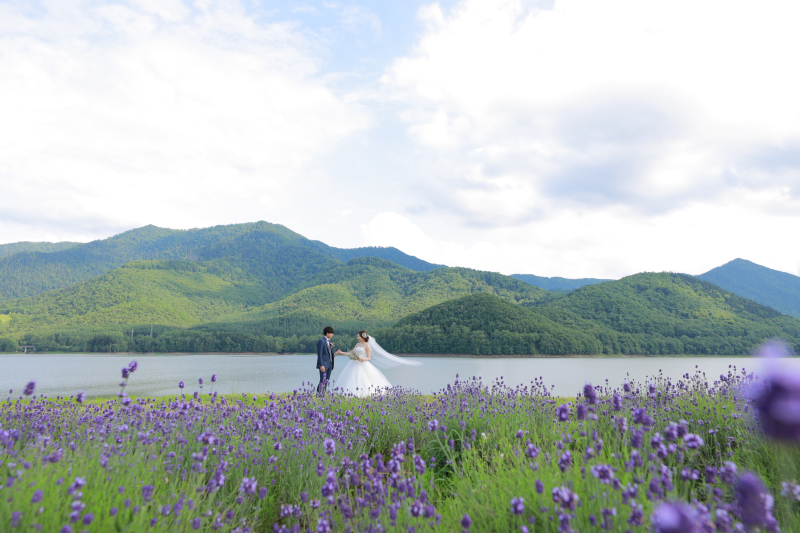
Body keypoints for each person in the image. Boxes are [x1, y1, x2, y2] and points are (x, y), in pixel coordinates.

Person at [334, 330, 421, 397]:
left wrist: (362, 359)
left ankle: (365, 393)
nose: (357, 338)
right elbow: (351, 353)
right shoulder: (357, 344)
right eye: (357, 336)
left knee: (364, 379)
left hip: (362, 363)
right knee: (351, 378)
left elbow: (369, 358)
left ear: (363, 337)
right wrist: (341, 352)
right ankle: (348, 393)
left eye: (358, 336)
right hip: (353, 363)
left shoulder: (367, 346)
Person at [316, 326, 335, 395]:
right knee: (322, 380)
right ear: (327, 333)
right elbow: (320, 354)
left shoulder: (328, 341)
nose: (332, 335)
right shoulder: (321, 341)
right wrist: (321, 365)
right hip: (324, 364)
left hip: (330, 364)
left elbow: (328, 354)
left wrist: (335, 354)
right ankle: (318, 394)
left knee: (326, 380)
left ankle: (323, 394)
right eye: (331, 333)